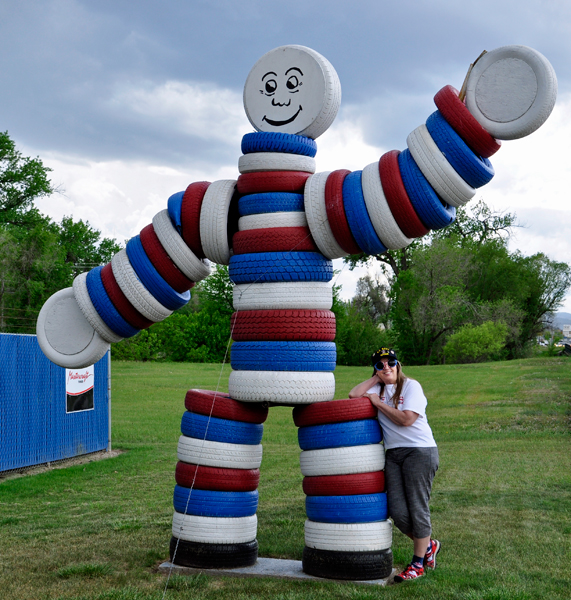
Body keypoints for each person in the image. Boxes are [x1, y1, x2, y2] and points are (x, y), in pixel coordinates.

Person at [348, 347, 440, 583]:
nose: (386, 367)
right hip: (394, 454)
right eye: (380, 365)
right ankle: (429, 545)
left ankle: (417, 564)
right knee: (398, 513)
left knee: (417, 508)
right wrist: (376, 379)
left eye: (390, 362)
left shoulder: (411, 386)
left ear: (399, 364)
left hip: (419, 451)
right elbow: (352, 394)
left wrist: (378, 403)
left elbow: (407, 419)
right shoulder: (377, 386)